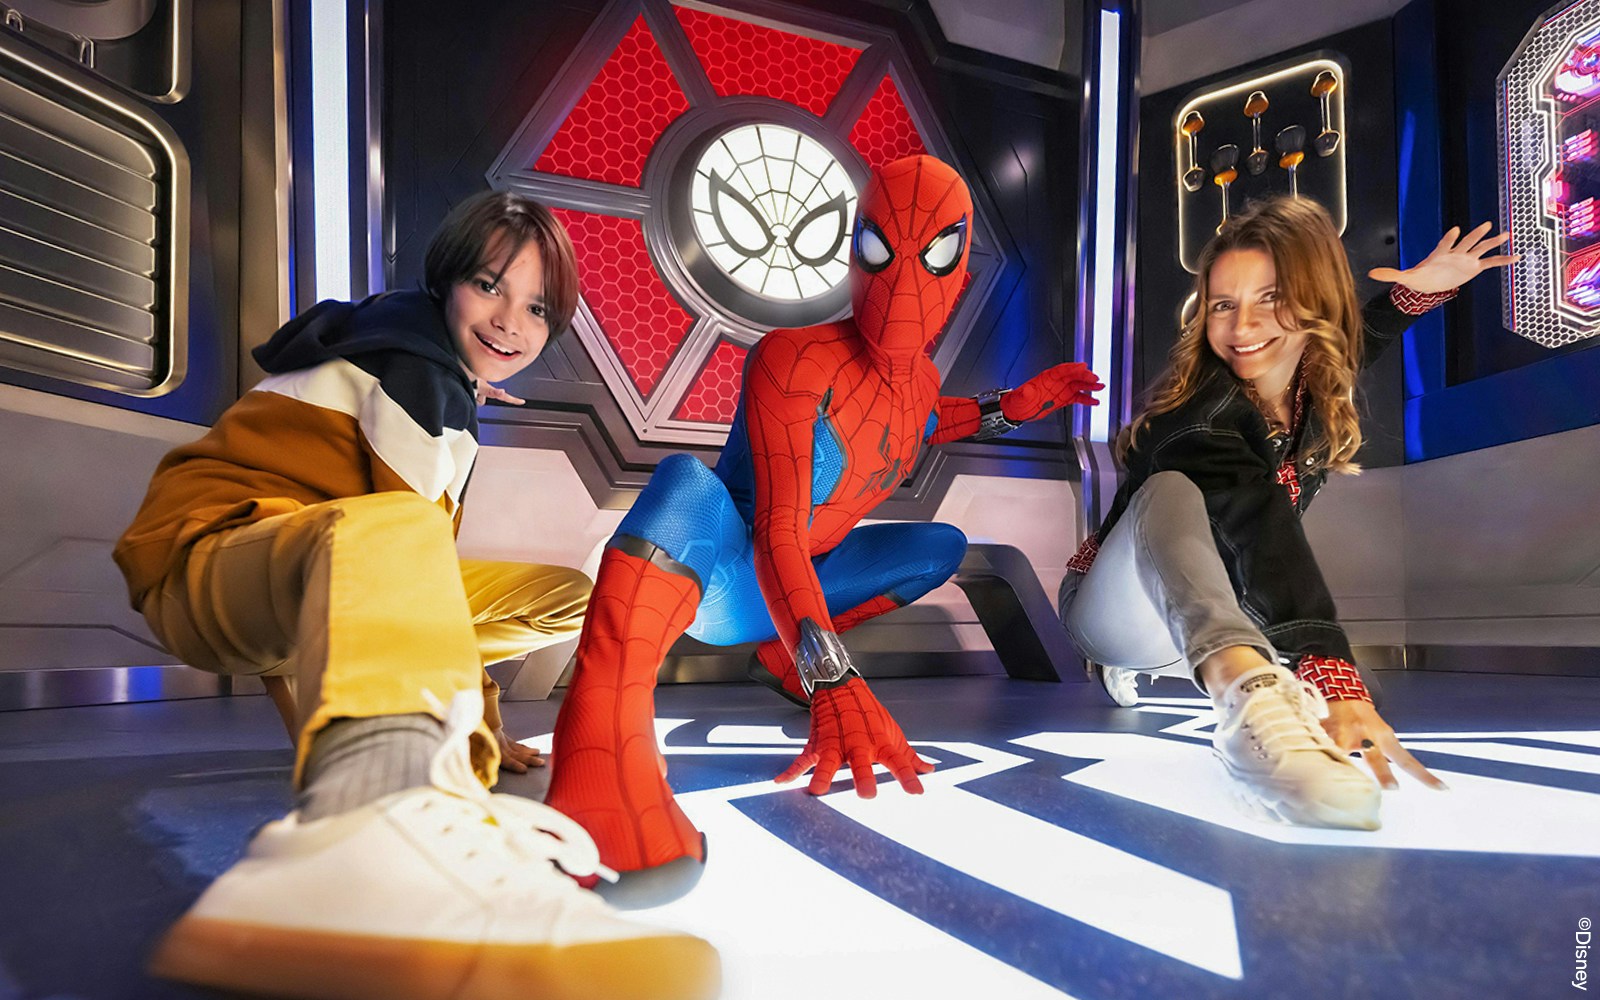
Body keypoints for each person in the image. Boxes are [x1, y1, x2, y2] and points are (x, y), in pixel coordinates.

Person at [112, 191, 720, 1000]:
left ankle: (383, 768)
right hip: (209, 560)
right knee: (399, 529)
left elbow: (392, 568)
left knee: (570, 592)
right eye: (489, 285)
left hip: (308, 561)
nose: (511, 321)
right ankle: (379, 826)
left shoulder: (430, 362)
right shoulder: (416, 370)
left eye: (538, 307)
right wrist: (472, 749)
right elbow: (406, 546)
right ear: (447, 282)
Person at [542, 155, 1103, 904]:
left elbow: (925, 420)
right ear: (853, 252)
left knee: (938, 548)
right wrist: (835, 675)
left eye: (934, 256)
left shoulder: (923, 384)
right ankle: (602, 735)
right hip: (724, 576)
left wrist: (1013, 406)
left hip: (810, 582)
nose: (902, 285)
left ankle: (779, 659)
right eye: (881, 251)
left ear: (960, 265)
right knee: (685, 485)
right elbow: (775, 527)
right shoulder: (793, 358)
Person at [1059, 196, 1516, 831]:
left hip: (1208, 605)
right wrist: (1328, 669)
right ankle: (1244, 706)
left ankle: (1254, 677)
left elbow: (1355, 344)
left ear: (1314, 305)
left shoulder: (1308, 380)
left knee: (1355, 696)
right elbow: (1257, 524)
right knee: (1170, 491)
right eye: (1223, 305)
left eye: (1272, 298)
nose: (1244, 327)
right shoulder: (1198, 418)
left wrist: (1417, 297)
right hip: (1114, 611)